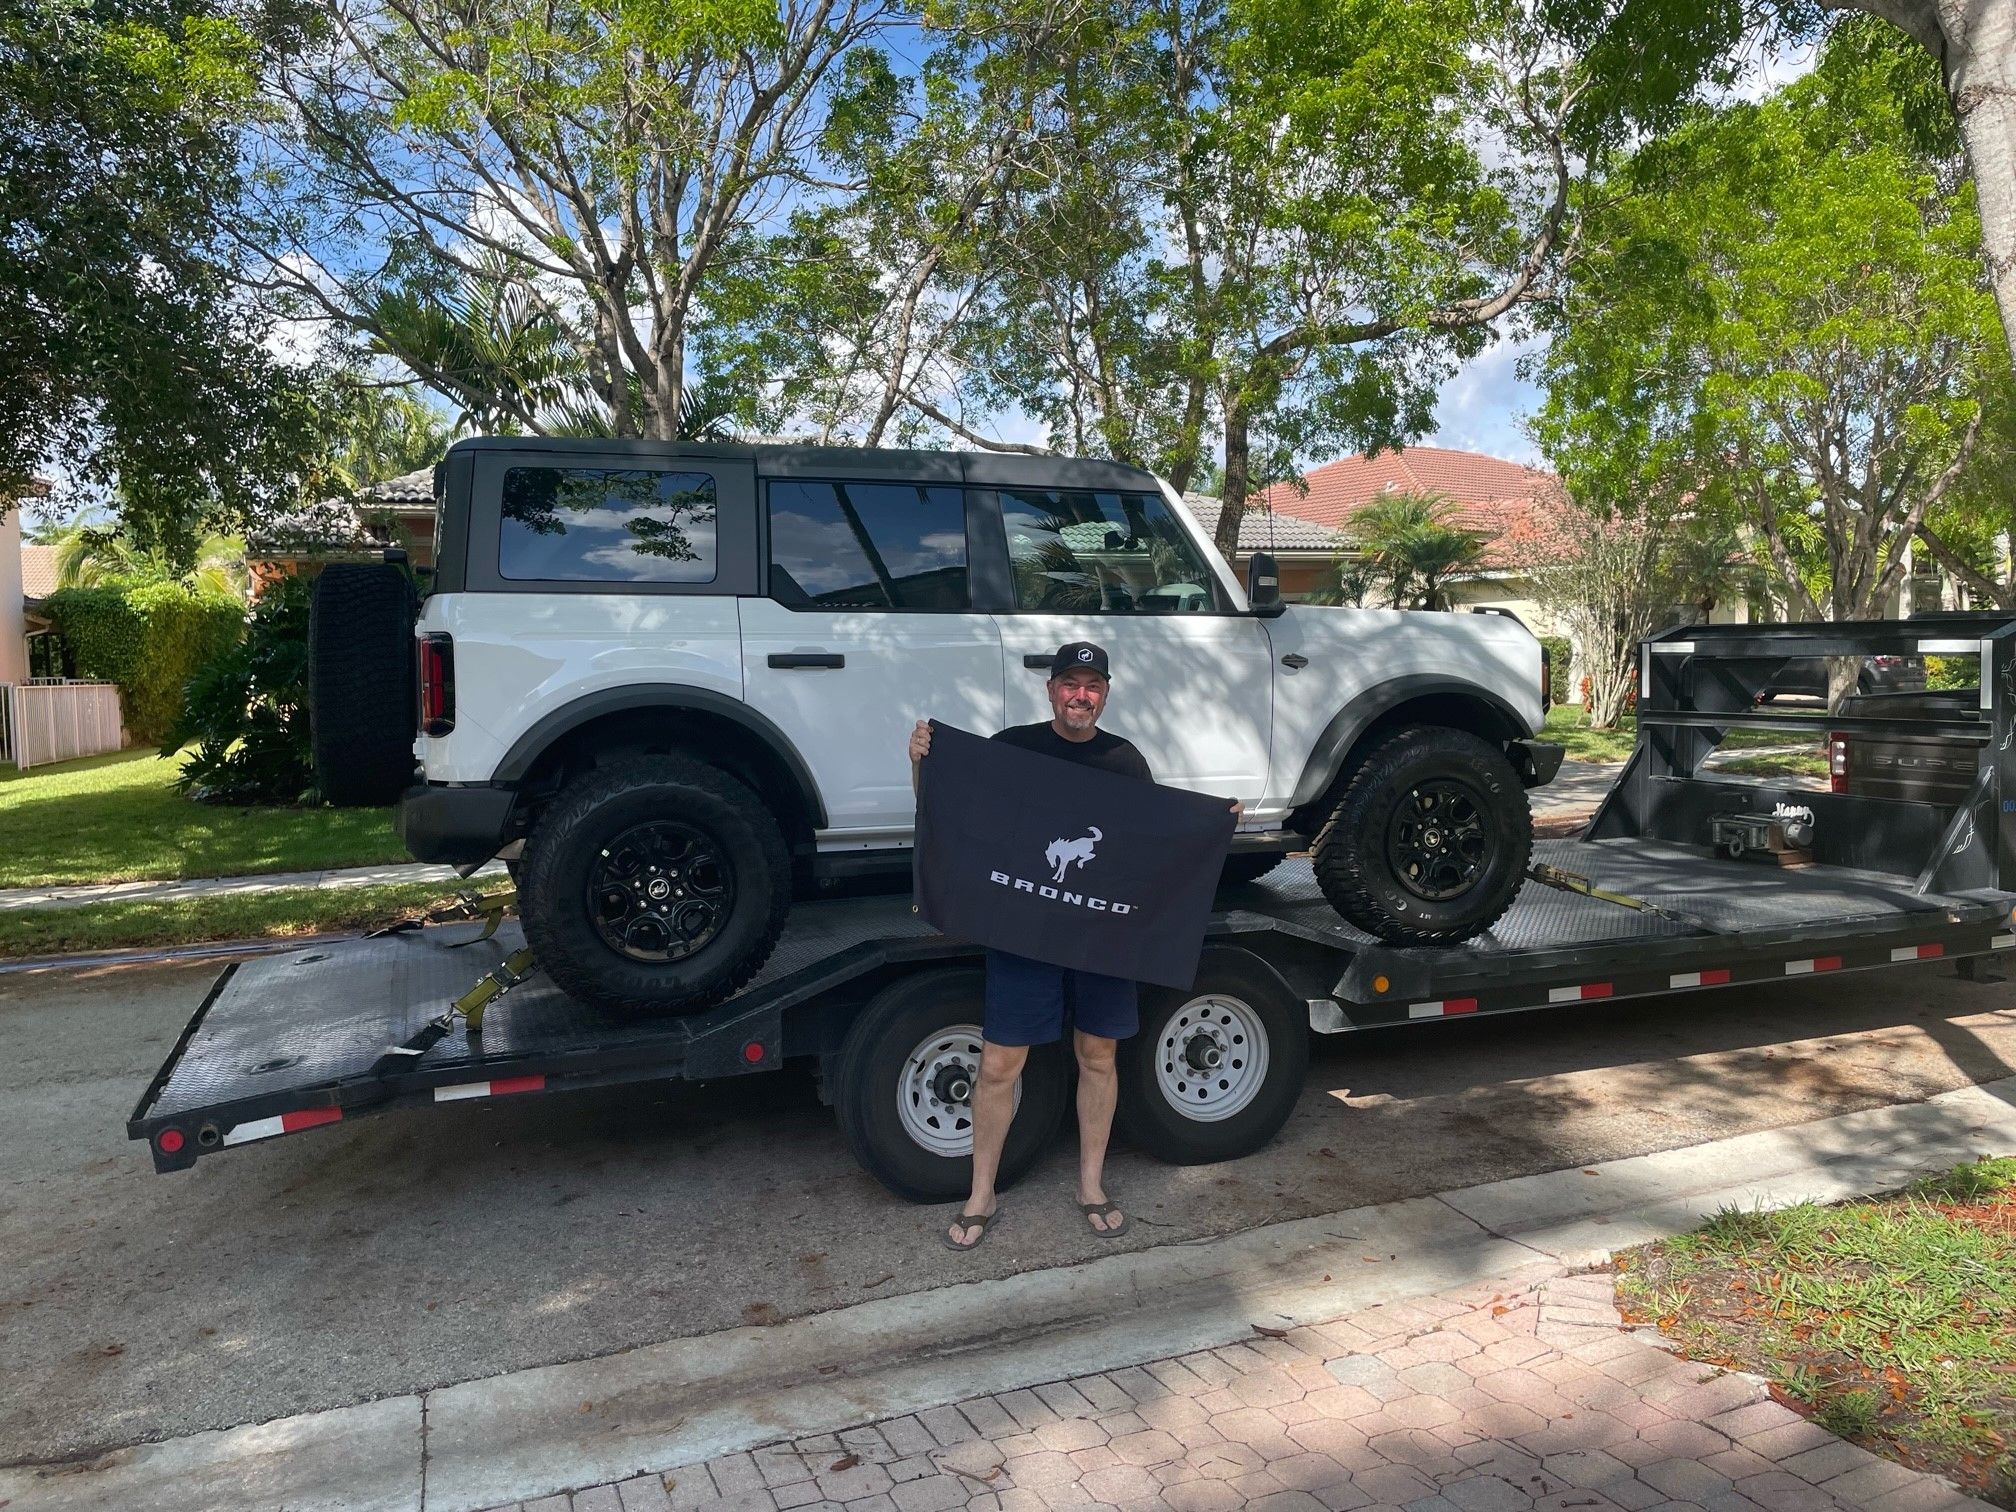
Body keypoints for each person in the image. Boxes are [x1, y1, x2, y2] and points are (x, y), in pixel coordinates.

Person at [907, 640, 1240, 1253]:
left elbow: (1146, 849)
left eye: (1092, 685)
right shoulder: (1012, 749)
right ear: (1051, 689)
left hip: (1100, 936)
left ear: (1105, 693)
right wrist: (922, 763)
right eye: (1069, 684)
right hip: (1024, 933)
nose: (1080, 695)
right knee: (1000, 1063)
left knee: (1098, 1056)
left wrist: (1212, 827)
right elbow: (954, 811)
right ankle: (981, 1192)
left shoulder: (1124, 762)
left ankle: (1091, 1184)